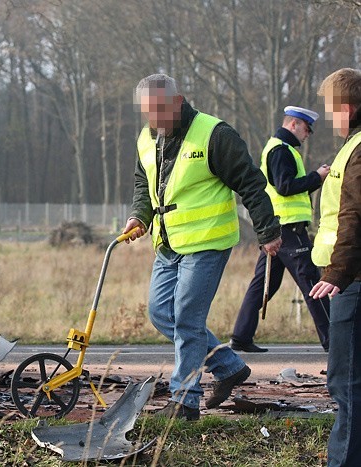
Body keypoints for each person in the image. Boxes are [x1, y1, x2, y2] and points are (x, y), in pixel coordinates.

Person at [123, 73, 282, 420]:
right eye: (147, 113)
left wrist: (268, 229)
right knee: (161, 312)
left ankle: (185, 400)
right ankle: (228, 366)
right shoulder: (146, 138)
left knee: (187, 317)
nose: (154, 119)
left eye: (160, 111)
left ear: (178, 102)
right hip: (168, 242)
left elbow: (251, 183)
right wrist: (139, 215)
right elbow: (143, 181)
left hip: (208, 242)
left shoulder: (215, 134)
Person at [230, 106, 331, 353]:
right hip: (288, 231)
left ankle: (241, 336)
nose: (307, 135)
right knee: (312, 283)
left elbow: (284, 190)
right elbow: (286, 187)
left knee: (263, 284)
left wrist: (314, 180)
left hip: (277, 229)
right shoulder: (280, 151)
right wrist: (317, 177)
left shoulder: (279, 149)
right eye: (306, 129)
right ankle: (334, 340)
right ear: (294, 124)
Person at [309, 67, 361, 467]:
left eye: (332, 109)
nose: (330, 118)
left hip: (353, 282)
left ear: (348, 107)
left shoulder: (358, 148)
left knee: (345, 383)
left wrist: (337, 274)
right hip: (350, 277)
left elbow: (354, 215)